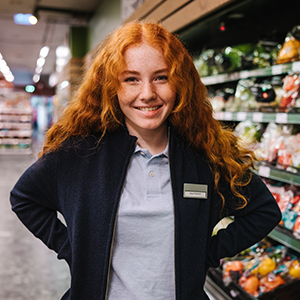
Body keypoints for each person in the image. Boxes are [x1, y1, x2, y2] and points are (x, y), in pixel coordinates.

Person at [10, 20, 281, 300]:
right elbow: (24, 198)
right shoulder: (81, 153)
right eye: (131, 79)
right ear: (111, 86)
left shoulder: (206, 155)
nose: (148, 93)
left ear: (179, 83)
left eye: (161, 77)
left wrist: (204, 252)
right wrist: (73, 249)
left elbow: (264, 212)